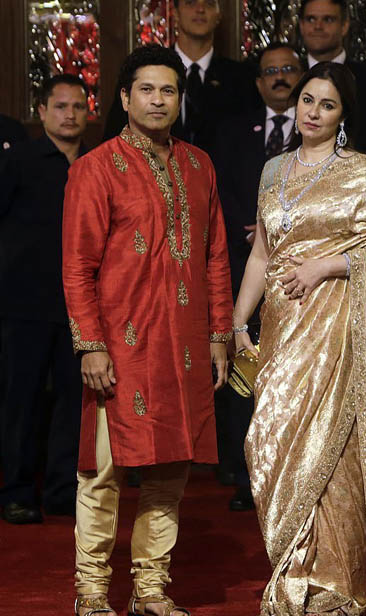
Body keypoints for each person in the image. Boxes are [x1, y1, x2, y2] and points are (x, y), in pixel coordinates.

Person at [232, 61, 366, 615]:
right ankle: (293, 573)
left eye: (327, 105)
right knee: (271, 443)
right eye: (307, 100)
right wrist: (236, 323)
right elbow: (260, 254)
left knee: (334, 458)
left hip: (339, 333)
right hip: (282, 333)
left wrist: (326, 265)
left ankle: (334, 590)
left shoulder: (363, 174)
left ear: (343, 115)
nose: (313, 112)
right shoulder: (273, 169)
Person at [63, 45, 232, 616]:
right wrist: (90, 344)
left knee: (169, 473)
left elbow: (214, 257)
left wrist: (217, 335)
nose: (159, 101)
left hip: (182, 345)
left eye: (169, 91)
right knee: (104, 473)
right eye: (147, 90)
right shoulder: (94, 168)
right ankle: (91, 593)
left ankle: (150, 590)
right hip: (120, 346)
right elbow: (77, 265)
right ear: (124, 98)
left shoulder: (198, 165)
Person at [210, 41, 302, 511]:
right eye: (271, 71)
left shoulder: (323, 132)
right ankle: (246, 475)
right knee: (245, 366)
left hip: (303, 279)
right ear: (258, 80)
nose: (280, 77)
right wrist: (251, 234)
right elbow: (215, 194)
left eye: (289, 69)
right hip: (240, 262)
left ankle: (294, 476)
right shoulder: (232, 134)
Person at [0, 75, 88, 524]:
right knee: (23, 400)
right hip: (25, 302)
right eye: (60, 106)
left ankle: (61, 491)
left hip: (82, 307)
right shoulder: (20, 161)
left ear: (88, 112)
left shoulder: (97, 164)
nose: (69, 114)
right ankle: (16, 491)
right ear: (41, 111)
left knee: (76, 403)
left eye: (77, 106)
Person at [102, 0, 257, 149]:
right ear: (175, 13)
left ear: (219, 15)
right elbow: (113, 139)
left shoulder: (242, 78)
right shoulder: (142, 71)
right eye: (191, 2)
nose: (200, 9)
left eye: (209, 3)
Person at [298, 0, 366, 156]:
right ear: (301, 25)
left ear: (344, 26)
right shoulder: (289, 77)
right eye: (310, 19)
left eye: (328, 19)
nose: (318, 26)